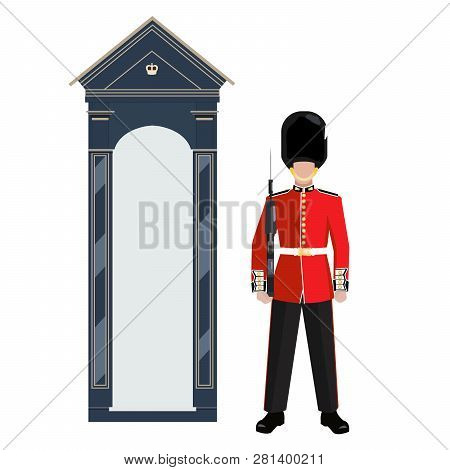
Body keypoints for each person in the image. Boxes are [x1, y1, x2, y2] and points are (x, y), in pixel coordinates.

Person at [251, 111, 350, 434]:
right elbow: (259, 244)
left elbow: (342, 244)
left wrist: (340, 282)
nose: (304, 169)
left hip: (321, 282)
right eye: (299, 165)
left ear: (316, 166)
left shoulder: (331, 202)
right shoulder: (276, 202)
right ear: (292, 165)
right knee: (280, 348)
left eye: (308, 164)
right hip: (286, 280)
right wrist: (261, 283)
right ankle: (275, 412)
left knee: (323, 349)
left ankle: (329, 411)